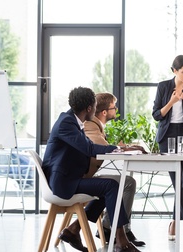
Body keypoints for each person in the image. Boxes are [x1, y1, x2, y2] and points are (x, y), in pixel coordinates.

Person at [42, 86, 143, 252]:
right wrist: (118, 149)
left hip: (69, 178)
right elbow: (88, 149)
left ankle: (74, 230)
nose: (96, 110)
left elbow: (89, 145)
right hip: (63, 183)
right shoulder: (67, 123)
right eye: (95, 107)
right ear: (89, 108)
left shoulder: (72, 120)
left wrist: (119, 149)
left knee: (109, 187)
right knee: (111, 186)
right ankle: (121, 239)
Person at [83, 92, 146, 247]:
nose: (116, 110)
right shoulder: (90, 125)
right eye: (114, 107)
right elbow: (102, 148)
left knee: (123, 181)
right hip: (83, 179)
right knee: (127, 183)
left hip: (89, 176)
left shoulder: (97, 126)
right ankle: (115, 228)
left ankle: (112, 227)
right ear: (104, 112)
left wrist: (124, 148)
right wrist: (126, 148)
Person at [152, 55, 183, 242]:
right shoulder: (163, 86)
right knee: (178, 181)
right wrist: (172, 102)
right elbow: (157, 115)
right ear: (174, 71)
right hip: (167, 137)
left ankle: (174, 219)